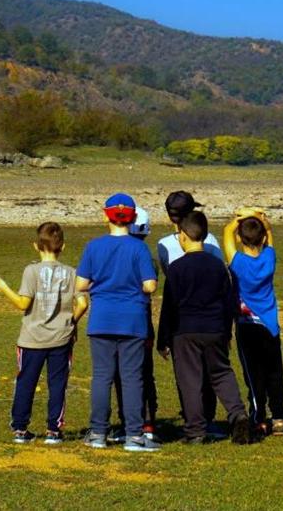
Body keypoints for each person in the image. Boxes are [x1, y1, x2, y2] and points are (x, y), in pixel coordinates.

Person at [0, 222, 87, 445]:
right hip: (61, 338)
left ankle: (20, 428)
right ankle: (54, 431)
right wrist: (72, 322)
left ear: (35, 246)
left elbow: (22, 303)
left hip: (31, 339)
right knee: (57, 384)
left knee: (25, 383)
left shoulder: (31, 271)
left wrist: (1, 284)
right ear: (63, 247)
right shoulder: (71, 273)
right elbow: (83, 303)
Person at [157, 211, 252, 445]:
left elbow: (169, 306)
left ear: (183, 237)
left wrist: (163, 340)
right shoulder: (219, 266)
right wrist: (227, 330)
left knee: (190, 379)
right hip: (215, 328)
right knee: (221, 373)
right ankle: (238, 414)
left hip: (185, 330)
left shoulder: (177, 268)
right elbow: (229, 301)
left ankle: (195, 430)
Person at [76, 193, 160, 452]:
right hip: (132, 319)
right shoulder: (139, 248)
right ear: (133, 218)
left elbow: (80, 285)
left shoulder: (93, 246)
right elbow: (150, 285)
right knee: (132, 377)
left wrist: (101, 282)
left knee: (102, 376)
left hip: (102, 319)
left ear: (105, 215)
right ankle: (134, 435)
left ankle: (98, 432)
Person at [157, 190, 223, 437]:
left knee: (186, 374)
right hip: (210, 316)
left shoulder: (163, 245)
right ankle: (208, 419)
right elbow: (220, 274)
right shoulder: (211, 241)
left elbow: (168, 279)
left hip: (181, 318)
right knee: (210, 372)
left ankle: (192, 419)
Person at [223, 207, 283, 437]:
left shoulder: (237, 263)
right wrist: (260, 218)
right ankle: (279, 416)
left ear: (240, 238)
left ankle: (259, 418)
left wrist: (239, 216)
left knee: (254, 375)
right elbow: (269, 233)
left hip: (246, 325)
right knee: (275, 373)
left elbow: (226, 233)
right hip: (269, 326)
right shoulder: (269, 259)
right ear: (263, 238)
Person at [108, 207, 159, 443]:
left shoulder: (120, 251)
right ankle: (146, 422)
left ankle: (131, 422)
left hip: (121, 322)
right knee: (143, 374)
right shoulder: (147, 257)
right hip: (142, 323)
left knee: (122, 375)